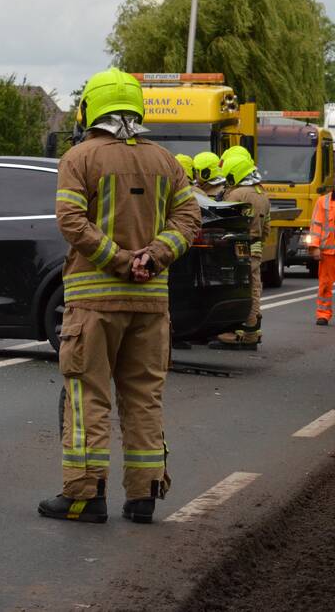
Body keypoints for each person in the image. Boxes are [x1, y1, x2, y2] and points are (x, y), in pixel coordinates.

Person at [39, 68, 201, 524]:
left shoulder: (79, 157)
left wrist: (116, 258)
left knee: (87, 396)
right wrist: (152, 257)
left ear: (90, 108)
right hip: (151, 305)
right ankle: (143, 496)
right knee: (144, 396)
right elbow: (189, 219)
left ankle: (84, 497)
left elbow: (71, 221)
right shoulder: (167, 162)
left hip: (93, 305)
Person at [209, 146, 269, 349]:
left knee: (238, 289)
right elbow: (267, 228)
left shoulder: (237, 194)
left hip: (237, 248)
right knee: (253, 287)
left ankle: (244, 334)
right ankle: (251, 331)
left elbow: (221, 222)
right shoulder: (261, 193)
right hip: (255, 247)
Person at [308, 187, 335, 325]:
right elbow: (316, 226)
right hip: (327, 253)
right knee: (324, 285)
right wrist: (314, 246)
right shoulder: (322, 201)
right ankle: (323, 314)